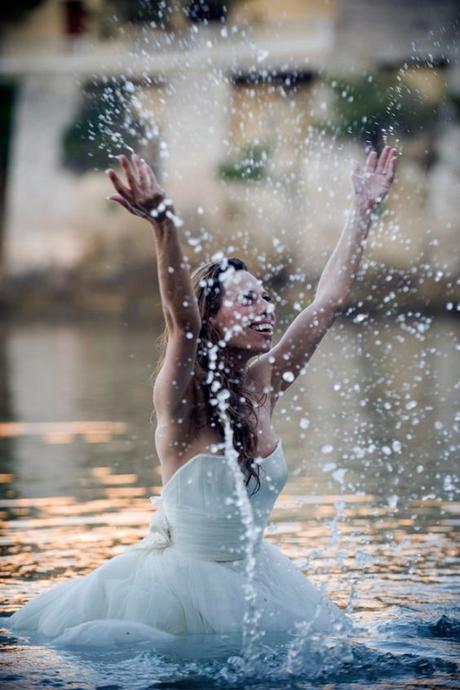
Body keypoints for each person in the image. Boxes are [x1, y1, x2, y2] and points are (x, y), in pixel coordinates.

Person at [3, 146, 398, 650]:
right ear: (212, 317)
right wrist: (163, 223)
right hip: (172, 598)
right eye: (247, 299)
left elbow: (329, 300)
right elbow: (180, 322)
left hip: (260, 580)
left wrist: (363, 211)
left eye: (267, 297)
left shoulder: (263, 386)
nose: (266, 310)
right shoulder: (181, 402)